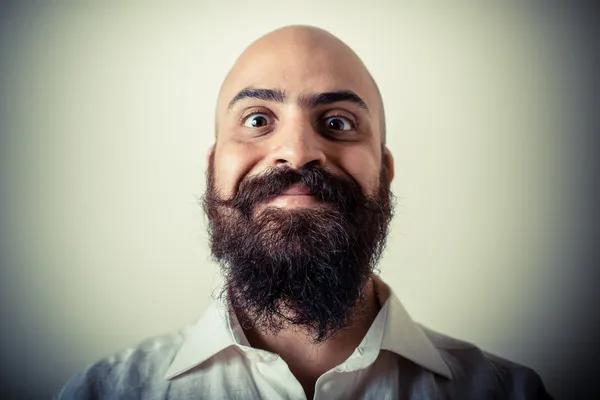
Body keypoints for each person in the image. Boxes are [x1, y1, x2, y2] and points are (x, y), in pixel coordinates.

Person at [55, 25, 553, 400]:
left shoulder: (511, 392)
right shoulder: (102, 391)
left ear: (385, 170)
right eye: (257, 120)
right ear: (212, 168)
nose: (296, 152)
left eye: (337, 121)